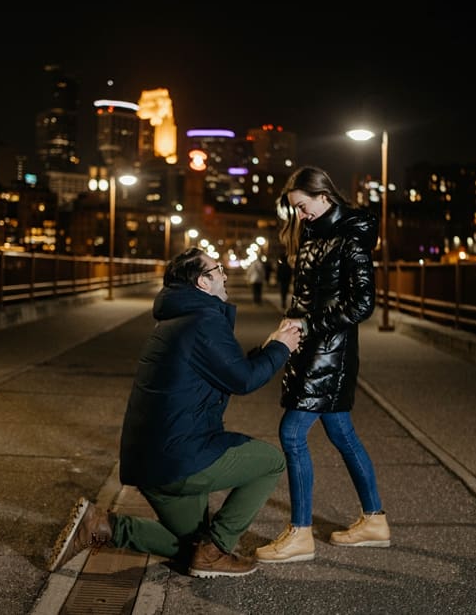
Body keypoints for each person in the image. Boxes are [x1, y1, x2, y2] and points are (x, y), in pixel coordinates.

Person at [47, 247, 302, 578]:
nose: (225, 274)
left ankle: (104, 525)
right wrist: (282, 348)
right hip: (180, 459)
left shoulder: (177, 319)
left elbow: (225, 370)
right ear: (202, 282)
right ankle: (217, 551)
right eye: (218, 270)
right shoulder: (204, 322)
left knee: (193, 546)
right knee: (271, 462)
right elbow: (242, 380)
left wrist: (268, 347)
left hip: (149, 462)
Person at [255, 165, 390, 564]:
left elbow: (363, 303)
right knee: (341, 432)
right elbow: (312, 294)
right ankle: (374, 521)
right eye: (294, 209)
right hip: (313, 345)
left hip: (329, 349)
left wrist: (309, 323)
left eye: (301, 206)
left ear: (323, 195)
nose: (299, 215)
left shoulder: (350, 235)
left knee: (292, 432)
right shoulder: (316, 232)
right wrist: (292, 322)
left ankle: (299, 534)